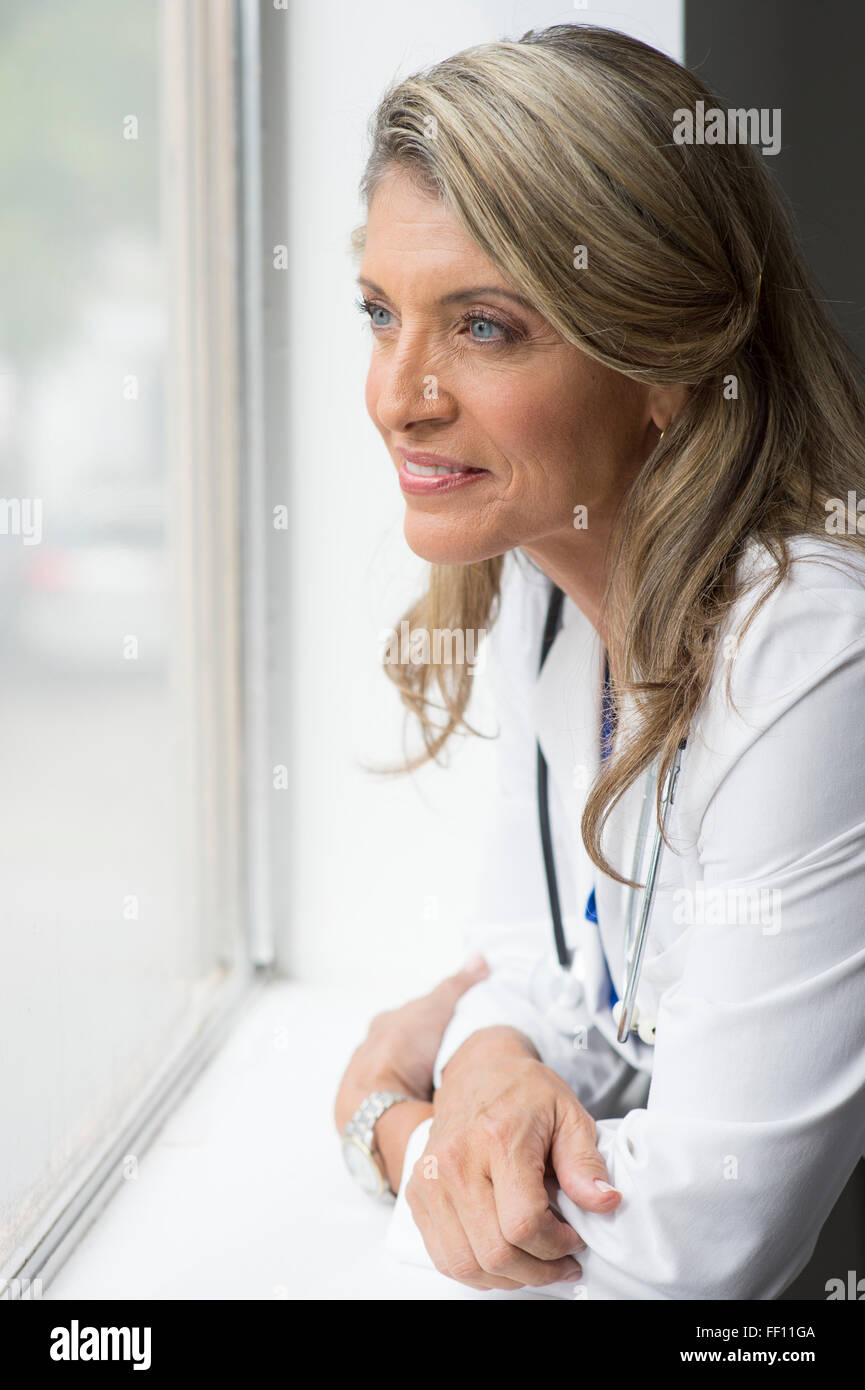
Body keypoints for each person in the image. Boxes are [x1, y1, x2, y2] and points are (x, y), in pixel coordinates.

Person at [334, 23, 865, 1299]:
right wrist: (489, 1066)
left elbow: (695, 1244)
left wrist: (384, 1125)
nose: (398, 395)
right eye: (379, 312)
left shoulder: (813, 657)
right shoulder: (550, 577)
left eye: (484, 328)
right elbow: (526, 960)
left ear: (664, 366)